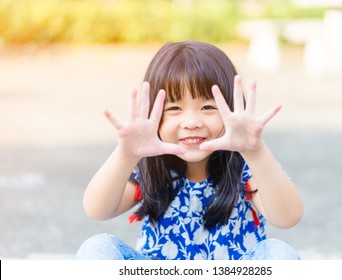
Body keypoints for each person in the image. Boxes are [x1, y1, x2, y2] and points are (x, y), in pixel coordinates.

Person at [75, 41, 304, 260]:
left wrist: (256, 153)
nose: (192, 122)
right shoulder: (151, 166)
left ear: (232, 109)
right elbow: (97, 210)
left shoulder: (245, 165)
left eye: (207, 107)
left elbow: (288, 217)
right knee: (97, 248)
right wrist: (125, 155)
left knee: (278, 252)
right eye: (174, 108)